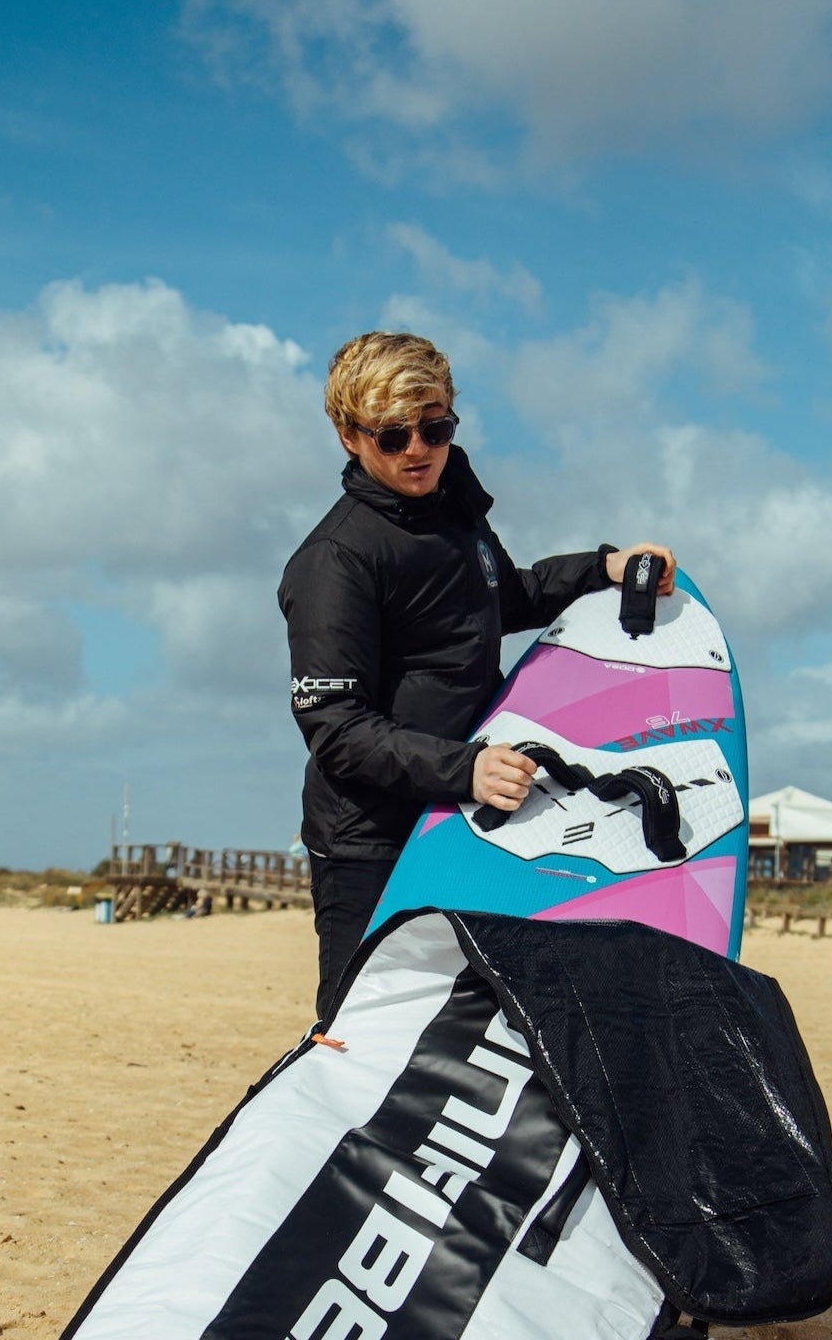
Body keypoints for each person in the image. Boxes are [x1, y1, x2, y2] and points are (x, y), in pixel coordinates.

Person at [278, 329, 677, 1022]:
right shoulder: (335, 560)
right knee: (361, 1029)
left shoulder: (453, 516)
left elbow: (499, 602)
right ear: (347, 435)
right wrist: (464, 769)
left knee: (460, 1025)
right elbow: (335, 729)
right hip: (371, 838)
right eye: (392, 435)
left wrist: (601, 567)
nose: (417, 451)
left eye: (434, 428)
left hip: (463, 817)